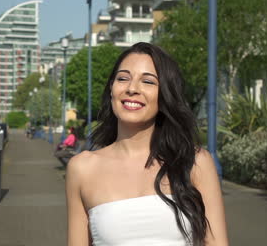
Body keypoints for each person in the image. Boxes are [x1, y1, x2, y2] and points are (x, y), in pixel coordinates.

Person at [66, 43, 228, 246]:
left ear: (165, 94)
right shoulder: (82, 168)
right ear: (111, 89)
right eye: (123, 78)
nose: (132, 89)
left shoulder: (195, 162)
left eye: (148, 82)